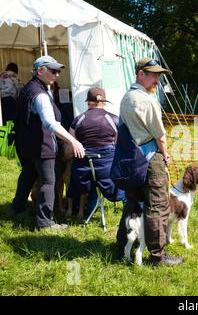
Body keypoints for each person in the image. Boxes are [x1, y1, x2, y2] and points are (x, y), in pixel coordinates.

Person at [115, 58, 183, 266]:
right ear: (140, 74)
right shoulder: (147, 100)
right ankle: (157, 257)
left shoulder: (127, 97)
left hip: (131, 158)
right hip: (150, 158)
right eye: (153, 75)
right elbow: (160, 135)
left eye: (159, 76)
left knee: (133, 202)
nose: (157, 80)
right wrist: (166, 154)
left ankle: (120, 247)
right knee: (157, 206)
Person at [11, 55, 85, 230]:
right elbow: (50, 123)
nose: (57, 74)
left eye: (58, 71)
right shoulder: (39, 94)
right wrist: (73, 140)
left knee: (28, 175)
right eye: (53, 71)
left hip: (25, 146)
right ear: (40, 71)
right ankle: (44, 223)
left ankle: (16, 208)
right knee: (48, 182)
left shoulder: (28, 88)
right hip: (41, 146)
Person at [68, 87, 124, 219]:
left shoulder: (77, 120)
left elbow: (70, 147)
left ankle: (88, 212)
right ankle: (130, 213)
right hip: (107, 173)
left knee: (93, 177)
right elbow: (120, 145)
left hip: (82, 173)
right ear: (103, 102)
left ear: (88, 102)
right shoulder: (114, 119)